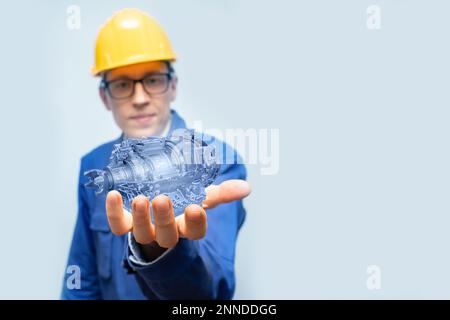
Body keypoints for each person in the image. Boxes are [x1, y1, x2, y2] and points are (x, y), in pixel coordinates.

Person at [61, 8, 251, 300]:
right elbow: (81, 280)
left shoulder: (218, 161)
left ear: (172, 86)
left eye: (152, 80)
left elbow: (212, 291)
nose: (139, 98)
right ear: (104, 97)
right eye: (123, 84)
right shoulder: (95, 165)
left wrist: (161, 251)